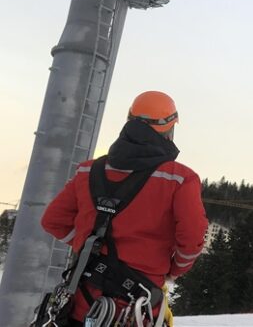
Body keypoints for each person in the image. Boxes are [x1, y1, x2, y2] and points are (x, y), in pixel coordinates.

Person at [40, 91, 208, 325]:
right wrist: (174, 270)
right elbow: (192, 237)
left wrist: (86, 246)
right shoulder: (180, 179)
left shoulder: (88, 170)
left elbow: (53, 221)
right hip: (135, 309)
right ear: (169, 130)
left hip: (81, 303)